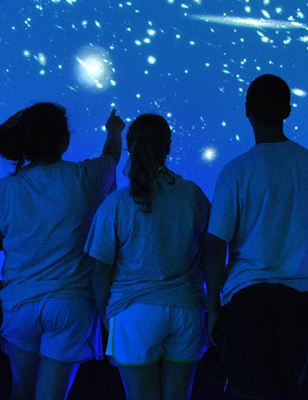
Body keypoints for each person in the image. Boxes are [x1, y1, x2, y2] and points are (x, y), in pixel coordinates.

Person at [0, 103, 124, 400]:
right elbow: (111, 156)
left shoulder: (0, 191)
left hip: (18, 305)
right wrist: (115, 130)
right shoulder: (85, 177)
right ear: (64, 140)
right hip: (71, 304)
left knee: (21, 390)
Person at [204, 74, 308, 400]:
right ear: (288, 110)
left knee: (247, 393)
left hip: (248, 300)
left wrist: (214, 304)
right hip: (301, 298)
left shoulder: (236, 171)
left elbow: (216, 244)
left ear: (248, 110)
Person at [86, 114, 211, 400]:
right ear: (168, 146)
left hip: (133, 313)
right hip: (186, 310)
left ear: (129, 146)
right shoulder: (193, 195)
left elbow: (100, 269)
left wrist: (107, 315)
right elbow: (209, 253)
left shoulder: (116, 203)